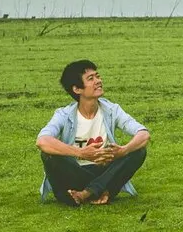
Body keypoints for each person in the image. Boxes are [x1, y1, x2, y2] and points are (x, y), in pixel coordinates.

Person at [36, 59, 150, 206]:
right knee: (49, 154)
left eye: (98, 76)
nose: (98, 81)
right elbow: (42, 141)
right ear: (77, 89)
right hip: (75, 172)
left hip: (103, 172)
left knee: (138, 150)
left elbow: (143, 133)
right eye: (91, 78)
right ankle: (99, 192)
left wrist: (123, 151)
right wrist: (82, 153)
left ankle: (87, 193)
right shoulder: (63, 115)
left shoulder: (111, 110)